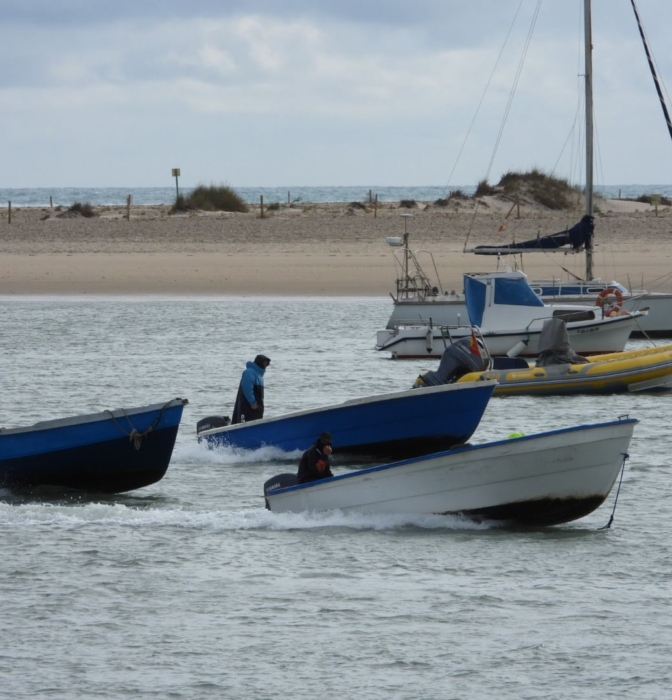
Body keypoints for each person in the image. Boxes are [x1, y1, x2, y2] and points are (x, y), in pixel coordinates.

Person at [231, 354, 271, 424]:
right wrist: (253, 403)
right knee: (244, 425)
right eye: (265, 363)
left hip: (256, 409)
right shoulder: (249, 372)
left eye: (267, 364)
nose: (266, 366)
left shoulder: (259, 376)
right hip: (248, 408)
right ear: (260, 362)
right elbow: (247, 387)